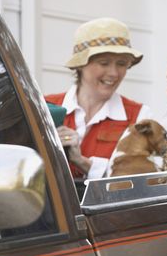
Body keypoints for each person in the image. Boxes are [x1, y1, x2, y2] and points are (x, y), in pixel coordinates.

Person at [45, 17, 150, 180]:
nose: (114, 73)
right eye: (104, 63)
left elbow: (137, 179)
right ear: (80, 64)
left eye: (121, 64)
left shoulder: (139, 117)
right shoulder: (45, 107)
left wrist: (81, 161)